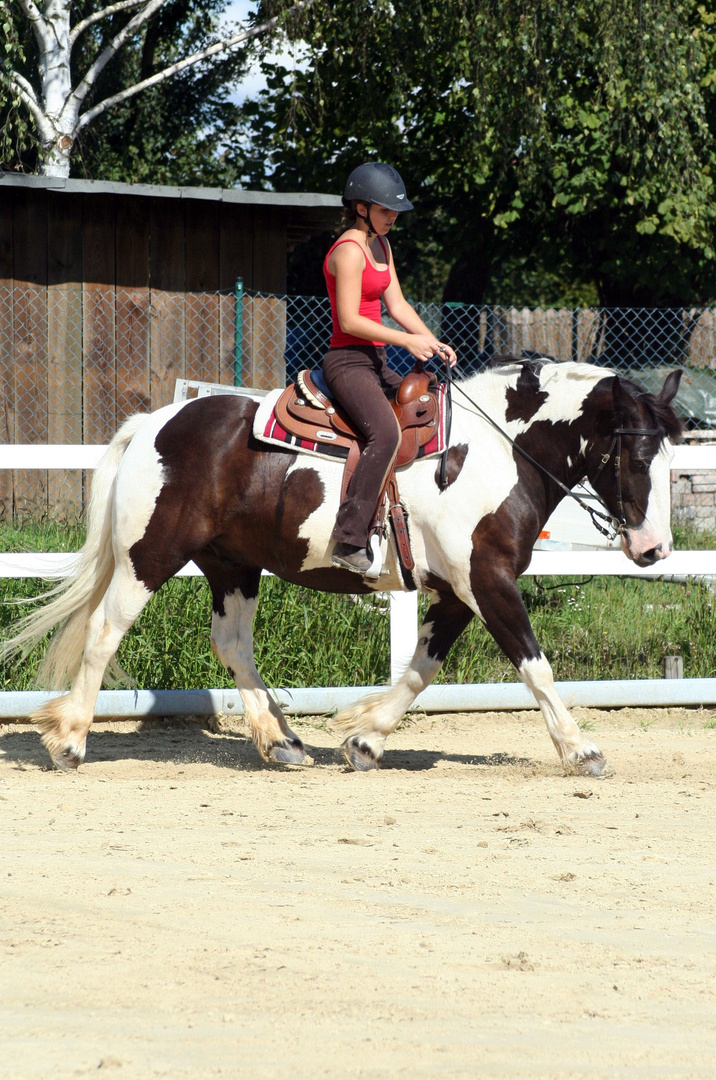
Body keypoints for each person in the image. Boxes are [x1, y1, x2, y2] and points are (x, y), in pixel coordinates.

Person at [323, 161, 457, 575]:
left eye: (396, 210)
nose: (393, 216)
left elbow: (396, 305)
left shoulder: (381, 246)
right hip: (347, 361)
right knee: (385, 432)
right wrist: (408, 341)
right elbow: (349, 321)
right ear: (361, 207)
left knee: (432, 408)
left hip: (376, 360)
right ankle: (348, 540)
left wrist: (431, 340)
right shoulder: (348, 251)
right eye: (386, 209)